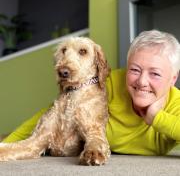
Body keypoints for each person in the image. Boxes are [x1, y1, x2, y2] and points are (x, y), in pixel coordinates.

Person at [3, 30, 180, 156]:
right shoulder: (109, 83)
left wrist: (156, 117)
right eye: (135, 69)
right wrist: (7, 144)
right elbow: (53, 113)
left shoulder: (175, 103)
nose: (142, 82)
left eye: (155, 73)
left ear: (173, 78)